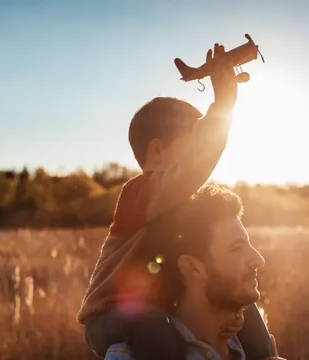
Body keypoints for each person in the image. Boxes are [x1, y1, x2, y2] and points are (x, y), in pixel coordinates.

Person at [76, 43, 275, 360]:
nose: (200, 158)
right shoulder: (140, 194)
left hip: (155, 309)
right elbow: (193, 168)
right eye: (193, 141)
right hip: (110, 316)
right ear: (156, 151)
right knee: (155, 330)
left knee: (240, 297)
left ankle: (266, 357)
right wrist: (222, 105)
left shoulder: (180, 206)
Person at [104, 185, 285, 360]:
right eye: (236, 248)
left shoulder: (257, 347)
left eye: (249, 245)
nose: (258, 260)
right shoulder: (128, 357)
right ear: (193, 268)